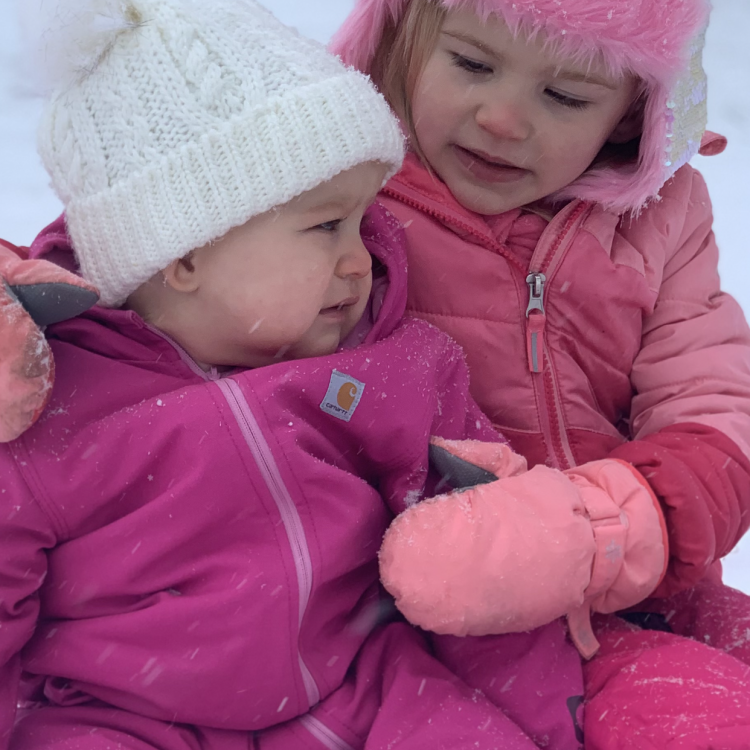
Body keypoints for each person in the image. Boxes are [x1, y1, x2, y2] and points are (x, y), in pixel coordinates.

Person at [1, 1, 664, 748]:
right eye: (325, 226)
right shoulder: (53, 398)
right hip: (122, 711)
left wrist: (540, 723)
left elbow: (488, 552)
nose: (362, 257)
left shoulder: (397, 369)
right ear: (183, 254)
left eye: (358, 219)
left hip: (364, 681)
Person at [328, 0, 750, 746]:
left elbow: (714, 404)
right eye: (471, 64)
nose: (503, 119)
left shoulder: (660, 216)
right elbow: (191, 272)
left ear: (629, 115)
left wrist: (612, 527)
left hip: (628, 581)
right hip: (404, 604)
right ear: (403, 41)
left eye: (565, 96)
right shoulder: (338, 192)